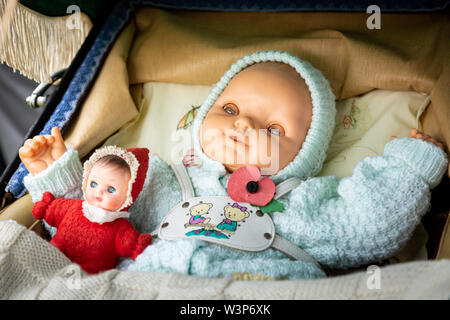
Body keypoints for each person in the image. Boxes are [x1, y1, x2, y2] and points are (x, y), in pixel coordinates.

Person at [19, 51, 448, 279]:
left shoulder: (306, 201)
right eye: (229, 108)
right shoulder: (162, 178)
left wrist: (408, 169)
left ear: (305, 154)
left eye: (274, 129)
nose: (243, 123)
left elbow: (368, 228)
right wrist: (58, 175)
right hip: (146, 282)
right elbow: (88, 229)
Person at [23, 142, 152, 274]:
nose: (99, 191)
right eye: (94, 183)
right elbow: (54, 210)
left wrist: (136, 245)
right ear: (86, 181)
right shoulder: (74, 206)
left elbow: (127, 242)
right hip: (53, 259)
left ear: (128, 197)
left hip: (87, 275)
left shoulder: (118, 228)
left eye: (111, 189)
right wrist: (47, 208)